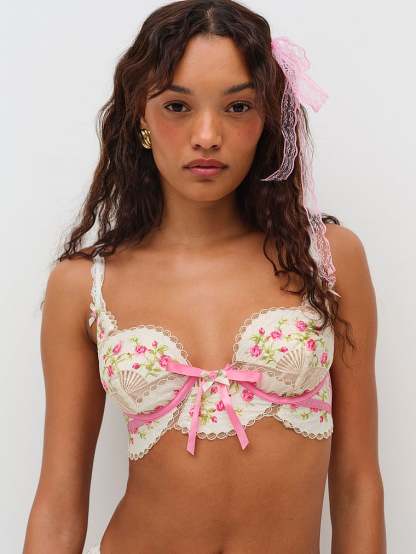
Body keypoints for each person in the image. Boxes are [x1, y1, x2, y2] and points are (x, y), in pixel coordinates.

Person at [23, 1, 386, 553]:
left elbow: (358, 482)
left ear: (267, 119)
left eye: (237, 106)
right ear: (140, 119)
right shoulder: (84, 285)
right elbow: (58, 504)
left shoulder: (328, 259)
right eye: (177, 106)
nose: (208, 135)